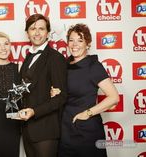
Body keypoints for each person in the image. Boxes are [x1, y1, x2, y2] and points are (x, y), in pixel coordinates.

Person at [57, 23, 119, 157]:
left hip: (87, 132)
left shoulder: (93, 66)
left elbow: (114, 97)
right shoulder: (65, 65)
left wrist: (88, 113)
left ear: (88, 44)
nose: (75, 44)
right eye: (71, 40)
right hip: (66, 131)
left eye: (80, 40)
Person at [18, 14, 67, 157]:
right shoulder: (28, 57)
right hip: (28, 129)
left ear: (47, 32)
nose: (37, 33)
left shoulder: (55, 58)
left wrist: (34, 111)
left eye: (41, 29)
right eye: (33, 29)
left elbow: (61, 97)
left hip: (46, 130)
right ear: (27, 32)